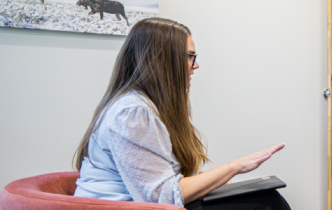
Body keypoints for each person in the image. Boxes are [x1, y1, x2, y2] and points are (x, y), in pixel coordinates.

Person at [72, 17, 291, 210]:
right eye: (190, 56)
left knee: (263, 196)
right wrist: (235, 167)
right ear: (162, 59)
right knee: (266, 203)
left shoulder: (145, 106)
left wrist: (215, 181)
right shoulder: (133, 112)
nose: (195, 66)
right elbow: (162, 197)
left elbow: (164, 185)